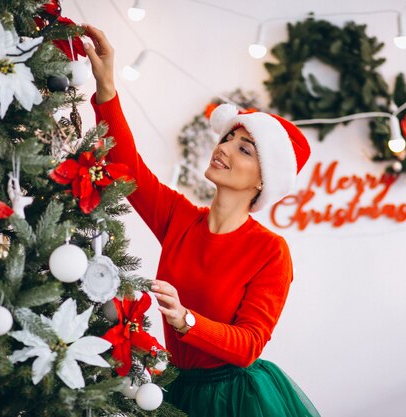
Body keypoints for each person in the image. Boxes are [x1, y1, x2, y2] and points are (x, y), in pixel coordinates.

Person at [82, 24, 321, 417]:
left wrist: (186, 320)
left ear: (265, 179)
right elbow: (127, 170)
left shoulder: (270, 251)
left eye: (244, 148)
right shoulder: (180, 218)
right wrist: (106, 86)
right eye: (228, 139)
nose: (224, 148)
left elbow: (248, 345)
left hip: (237, 400)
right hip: (177, 388)